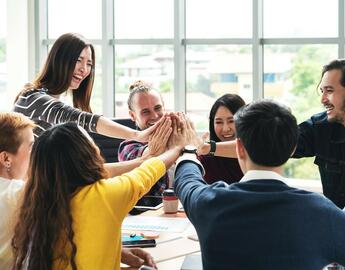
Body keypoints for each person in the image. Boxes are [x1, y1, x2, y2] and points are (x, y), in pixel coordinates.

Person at [174, 100, 345, 270]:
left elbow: (187, 179)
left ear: (239, 148)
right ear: (292, 148)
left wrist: (189, 150)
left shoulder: (209, 203)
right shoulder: (324, 213)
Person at [11, 118, 185, 270]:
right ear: (88, 155)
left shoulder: (36, 199)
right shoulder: (106, 195)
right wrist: (177, 147)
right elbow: (148, 172)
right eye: (92, 143)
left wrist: (117, 251)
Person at [197, 59, 345, 209]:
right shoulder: (320, 127)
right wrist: (208, 148)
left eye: (330, 91)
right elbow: (264, 143)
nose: (322, 99)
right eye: (322, 91)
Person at [13, 33, 157, 142]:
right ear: (59, 61)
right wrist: (136, 135)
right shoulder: (33, 98)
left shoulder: (50, 98)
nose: (84, 69)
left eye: (89, 64)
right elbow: (82, 118)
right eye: (78, 60)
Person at [118, 80, 169, 209]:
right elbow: (150, 153)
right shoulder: (127, 147)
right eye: (146, 112)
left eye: (158, 108)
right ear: (132, 115)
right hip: (147, 219)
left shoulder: (179, 137)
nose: (155, 116)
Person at [0, 112, 35, 269]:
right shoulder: (15, 193)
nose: (34, 154)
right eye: (30, 147)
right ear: (6, 159)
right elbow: (76, 176)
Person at [198, 94, 244, 184]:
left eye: (231, 121)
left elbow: (249, 148)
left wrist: (208, 148)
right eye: (219, 122)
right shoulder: (205, 156)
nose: (225, 129)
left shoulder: (254, 153)